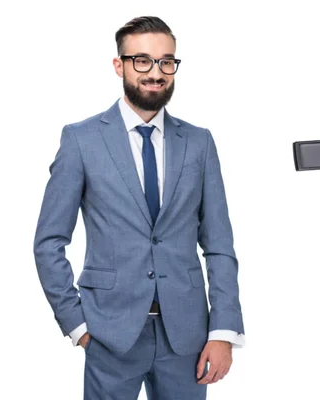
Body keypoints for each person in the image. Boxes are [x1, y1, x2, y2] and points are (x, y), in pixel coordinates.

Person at [33, 16, 245, 399]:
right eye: (142, 61)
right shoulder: (81, 140)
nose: (156, 72)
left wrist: (224, 331)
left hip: (188, 338)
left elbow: (219, 244)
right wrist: (77, 325)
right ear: (120, 65)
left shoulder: (199, 142)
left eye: (167, 62)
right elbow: (49, 242)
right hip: (109, 334)